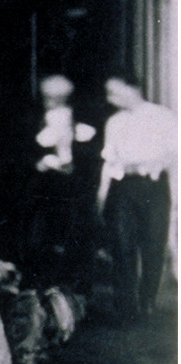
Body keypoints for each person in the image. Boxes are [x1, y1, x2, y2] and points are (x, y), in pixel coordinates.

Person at [97, 72, 177, 323]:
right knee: (122, 245)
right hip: (123, 187)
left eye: (115, 91)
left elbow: (173, 153)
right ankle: (126, 306)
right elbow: (109, 160)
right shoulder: (114, 122)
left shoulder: (163, 116)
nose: (111, 98)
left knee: (153, 244)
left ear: (132, 89)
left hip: (153, 186)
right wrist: (101, 195)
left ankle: (147, 302)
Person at [23, 74, 97, 287]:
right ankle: (42, 285)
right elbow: (23, 152)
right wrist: (42, 162)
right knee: (41, 238)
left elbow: (91, 155)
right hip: (44, 186)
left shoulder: (81, 119)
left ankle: (74, 290)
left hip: (74, 186)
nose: (52, 101)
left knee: (76, 237)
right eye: (49, 96)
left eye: (58, 97)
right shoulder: (33, 119)